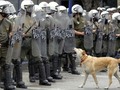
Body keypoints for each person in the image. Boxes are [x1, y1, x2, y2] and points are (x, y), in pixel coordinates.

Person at [0, 0, 15, 89]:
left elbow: (10, 32)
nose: (7, 11)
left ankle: (7, 84)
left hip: (5, 47)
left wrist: (11, 35)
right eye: (5, 8)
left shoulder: (8, 22)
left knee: (6, 65)